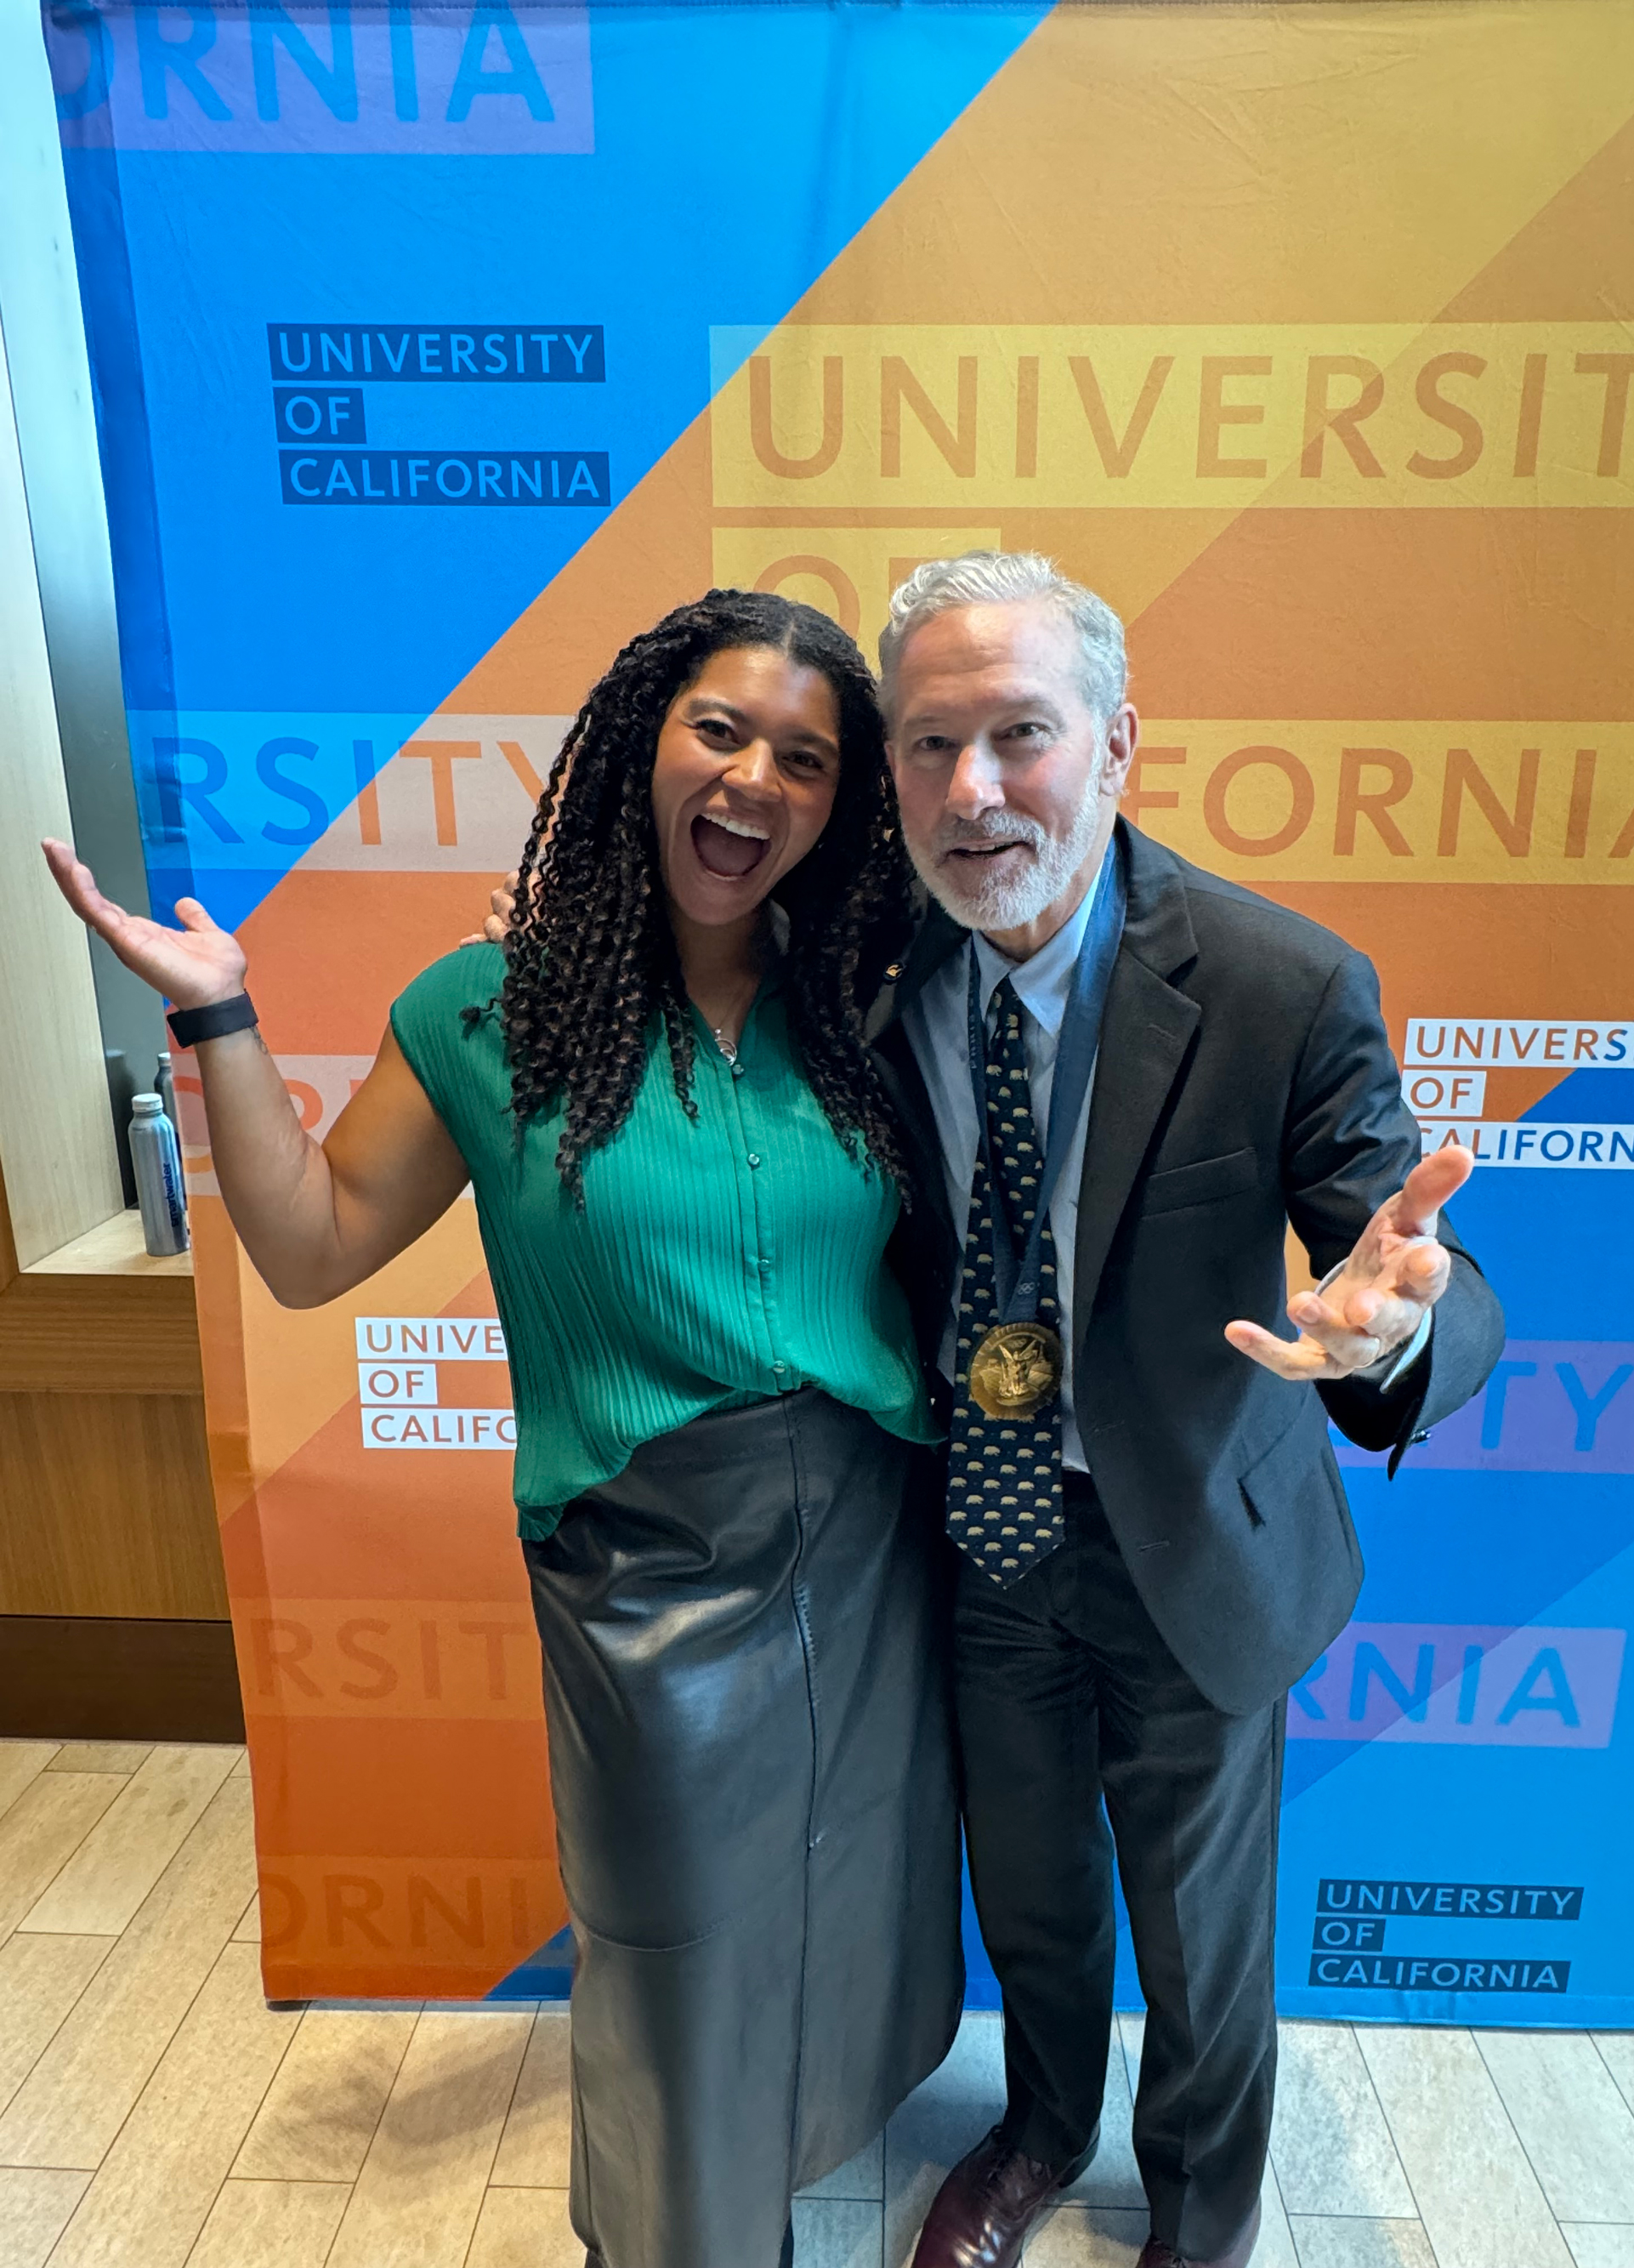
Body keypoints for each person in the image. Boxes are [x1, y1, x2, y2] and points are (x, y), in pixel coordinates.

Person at [43, 589, 965, 2268]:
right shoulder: (493, 1008)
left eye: (808, 759)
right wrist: (218, 1018)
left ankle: (799, 2168)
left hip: (877, 1544)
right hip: (651, 1572)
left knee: (859, 1898)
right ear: (641, 747)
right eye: (722, 730)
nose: (758, 778)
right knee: (673, 1947)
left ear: (840, 806)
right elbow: (312, 1245)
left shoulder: (871, 1001)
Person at [862, 552, 1505, 2268]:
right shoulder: (861, 963)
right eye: (927, 746)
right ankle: (1039, 2128)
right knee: (1035, 1892)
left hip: (1191, 1535)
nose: (973, 791)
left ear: (1118, 742)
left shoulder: (1276, 981)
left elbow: (1417, 1262)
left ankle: (1202, 2213)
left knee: (1201, 1928)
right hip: (981, 1530)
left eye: (1020, 734)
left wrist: (1383, 1331)